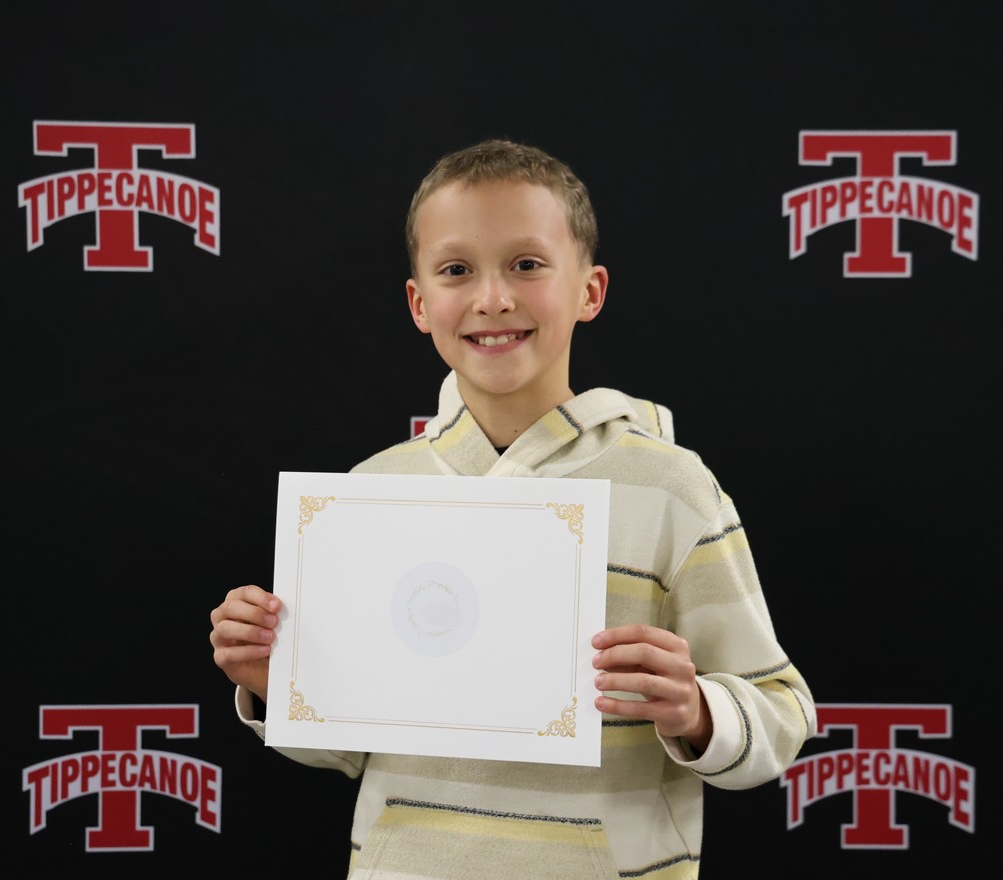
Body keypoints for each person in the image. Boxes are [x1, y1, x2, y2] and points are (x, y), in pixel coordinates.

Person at [209, 138, 816, 879]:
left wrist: (696, 710)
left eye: (527, 264)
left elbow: (782, 713)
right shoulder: (374, 492)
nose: (493, 298)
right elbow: (348, 747)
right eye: (456, 270)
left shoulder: (672, 490)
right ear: (419, 303)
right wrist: (275, 681)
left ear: (590, 290)